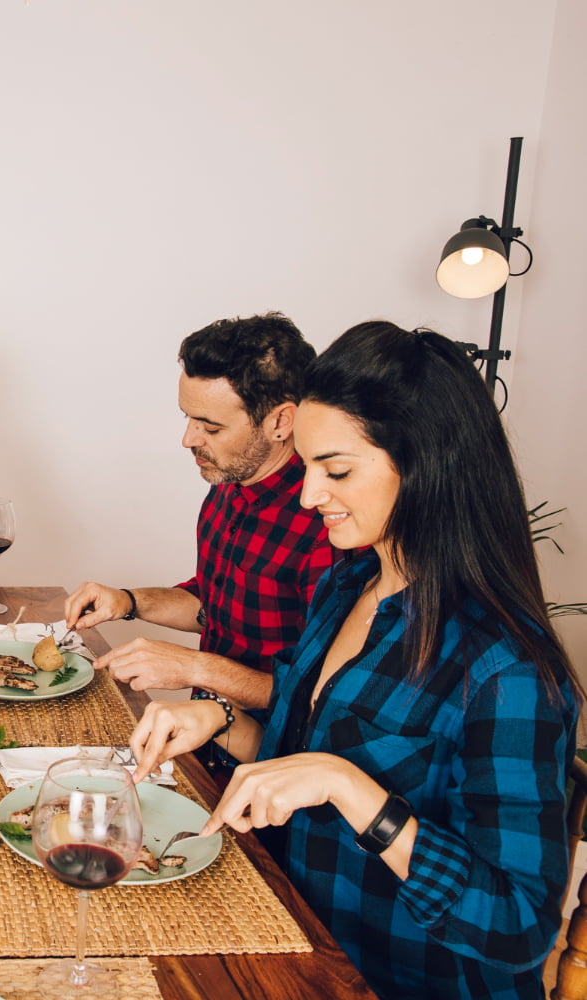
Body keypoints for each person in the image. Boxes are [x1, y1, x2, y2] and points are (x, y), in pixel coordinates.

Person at [129, 323, 580, 1000]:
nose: (310, 495)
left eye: (336, 470)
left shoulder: (504, 669)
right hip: (297, 948)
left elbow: (519, 926)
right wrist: (219, 722)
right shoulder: (347, 588)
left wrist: (355, 791)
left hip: (391, 982)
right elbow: (298, 759)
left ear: (427, 465)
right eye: (308, 466)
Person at [65, 312, 333, 708]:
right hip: (204, 732)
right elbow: (215, 607)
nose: (188, 439)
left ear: (281, 421)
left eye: (211, 427)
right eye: (187, 418)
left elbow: (321, 697)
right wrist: (127, 601)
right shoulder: (228, 483)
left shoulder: (327, 522)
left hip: (273, 756)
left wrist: (194, 668)